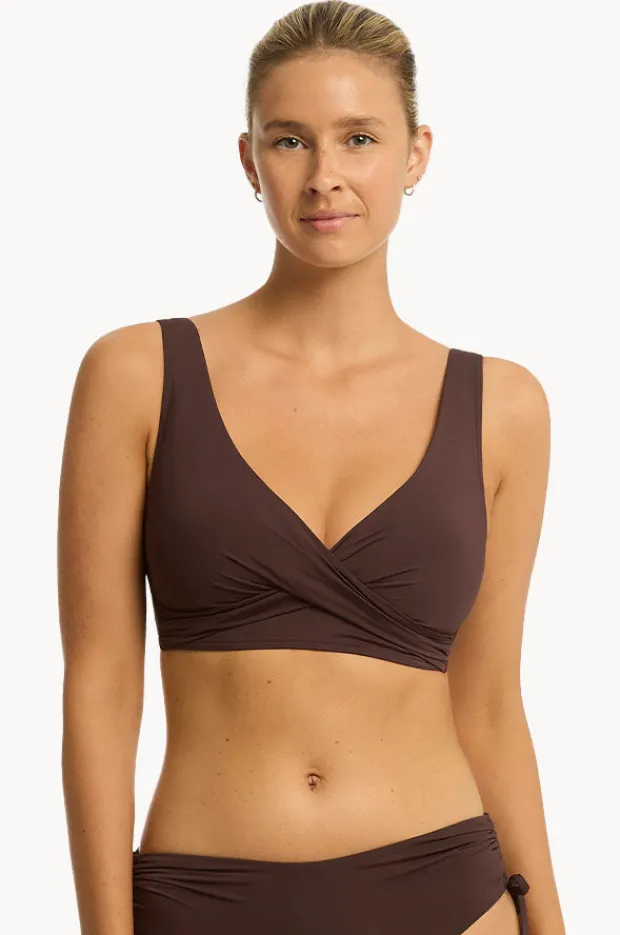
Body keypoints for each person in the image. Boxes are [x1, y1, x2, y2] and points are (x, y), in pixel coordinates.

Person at [58, 2, 565, 933]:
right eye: (290, 140)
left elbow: (491, 704)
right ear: (249, 161)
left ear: (415, 155)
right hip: (204, 897)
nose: (325, 174)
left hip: (449, 893)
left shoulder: (506, 407)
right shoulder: (136, 375)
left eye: (359, 137)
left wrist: (553, 922)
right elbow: (99, 688)